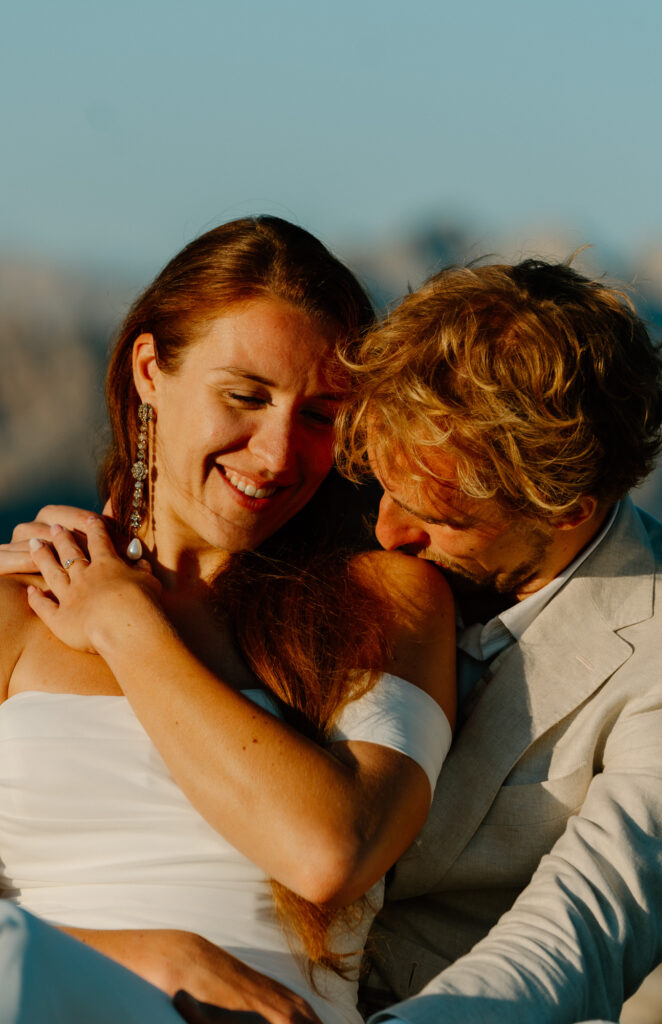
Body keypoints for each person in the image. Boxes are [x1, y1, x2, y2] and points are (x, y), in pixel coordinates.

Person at [0, 216, 456, 1024]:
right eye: (245, 396)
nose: (279, 453)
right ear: (150, 370)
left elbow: (327, 851)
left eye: (320, 414)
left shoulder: (386, 602)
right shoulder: (14, 607)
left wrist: (125, 624)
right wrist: (157, 957)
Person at [332, 257, 662, 1024]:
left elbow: (586, 925)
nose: (388, 530)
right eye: (383, 485)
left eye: (441, 516)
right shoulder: (334, 526)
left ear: (567, 509)